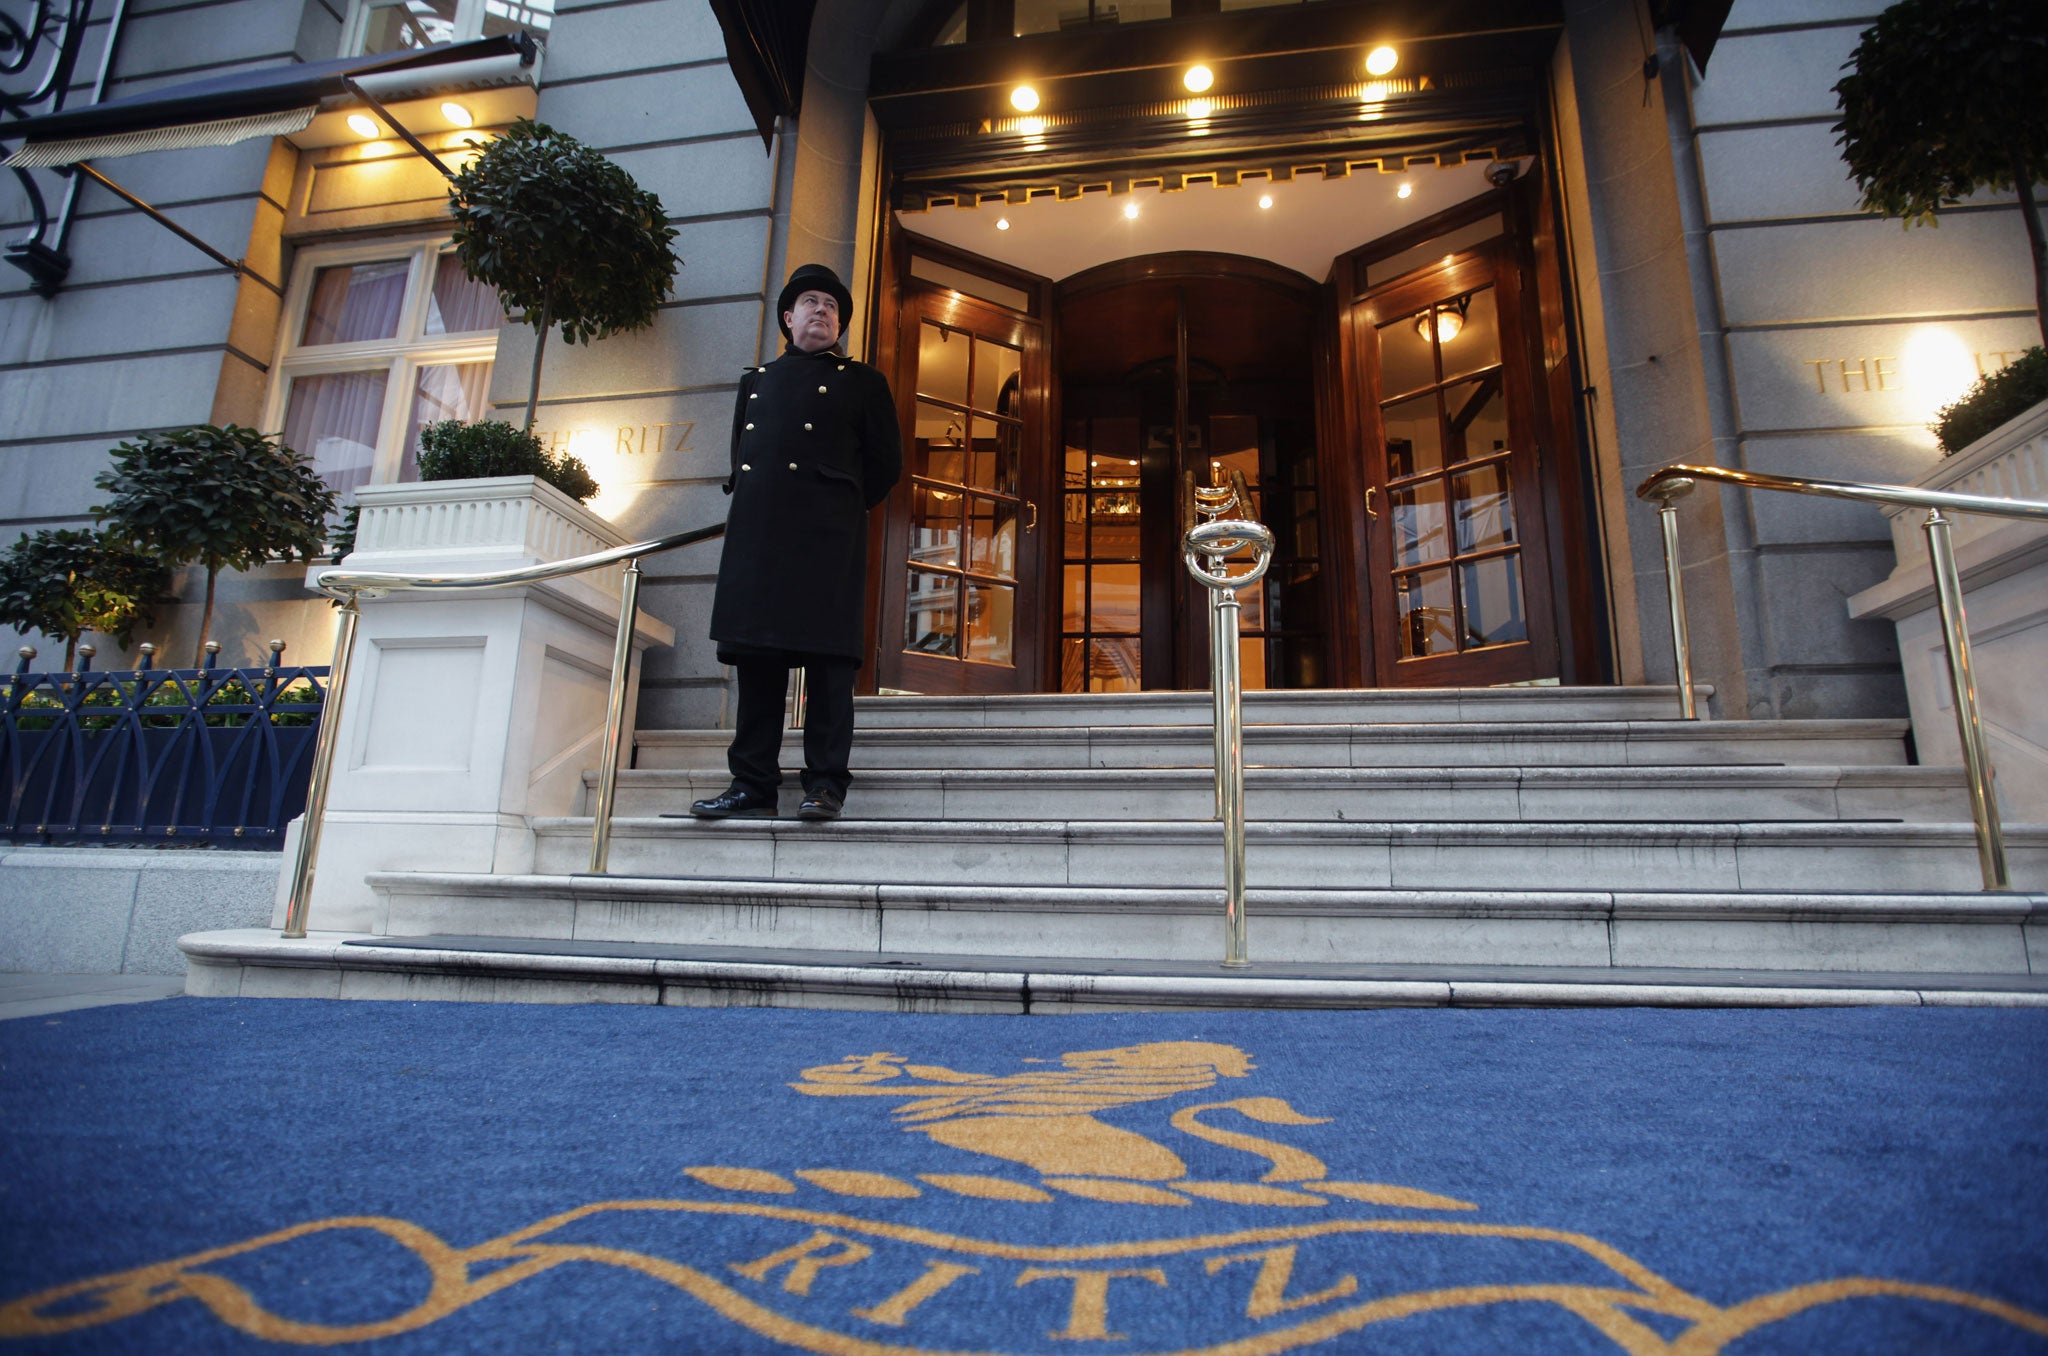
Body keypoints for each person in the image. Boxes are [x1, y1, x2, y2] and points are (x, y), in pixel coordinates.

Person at [689, 263, 902, 822]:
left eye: (832, 306)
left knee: (829, 667)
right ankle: (752, 785)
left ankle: (825, 783)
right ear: (788, 317)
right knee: (758, 663)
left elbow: (884, 467)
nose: (822, 311)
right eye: (811, 302)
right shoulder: (756, 380)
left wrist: (835, 506)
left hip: (827, 539)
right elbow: (742, 457)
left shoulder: (864, 383)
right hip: (759, 537)